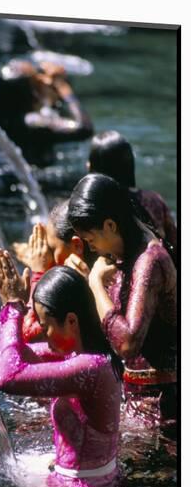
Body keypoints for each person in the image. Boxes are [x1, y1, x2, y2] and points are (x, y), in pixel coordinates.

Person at [0, 250, 122, 487]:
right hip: (85, 486)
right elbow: (20, 354)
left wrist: (13, 307)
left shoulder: (90, 367)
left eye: (46, 325)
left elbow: (9, 376)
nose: (41, 332)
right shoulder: (88, 353)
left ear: (71, 321)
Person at [67, 174, 177, 420]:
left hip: (162, 413)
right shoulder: (126, 250)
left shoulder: (149, 262)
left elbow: (127, 344)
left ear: (110, 225)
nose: (90, 246)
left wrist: (95, 283)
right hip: (137, 402)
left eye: (91, 239)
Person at [88, 130, 177, 258]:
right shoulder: (154, 199)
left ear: (96, 168)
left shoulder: (99, 208)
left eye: (90, 161)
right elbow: (174, 242)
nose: (87, 164)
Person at [14, 200, 90, 342]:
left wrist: (39, 274)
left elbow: (28, 335)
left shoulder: (85, 289)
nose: (46, 254)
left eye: (52, 249)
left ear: (77, 245)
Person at [0, 60, 93, 166]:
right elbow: (84, 129)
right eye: (37, 82)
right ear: (33, 93)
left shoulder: (2, 115)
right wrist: (64, 90)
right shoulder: (32, 121)